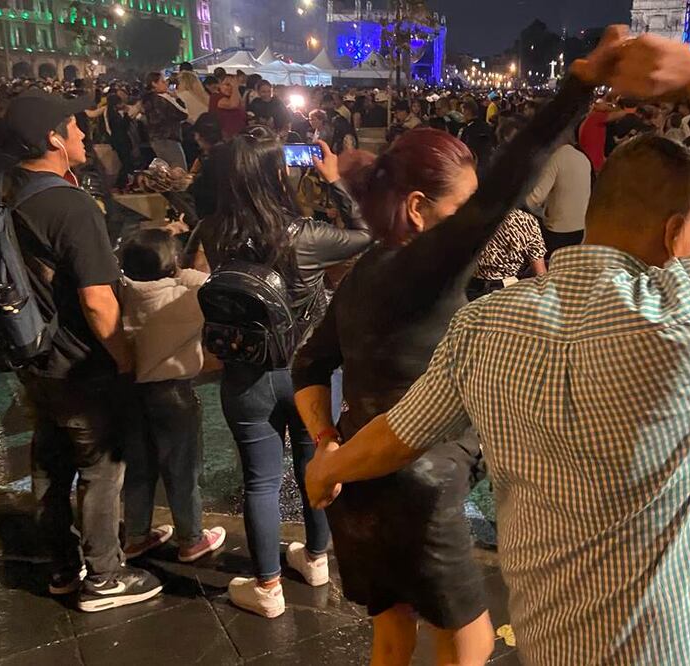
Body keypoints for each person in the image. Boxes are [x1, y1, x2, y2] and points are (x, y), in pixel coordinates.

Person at [301, 30, 690, 665]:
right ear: (678, 235)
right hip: (663, 646)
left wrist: (327, 467)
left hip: (549, 638)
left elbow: (397, 434)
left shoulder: (487, 323)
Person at [291, 85, 603, 662]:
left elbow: (309, 361)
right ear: (417, 207)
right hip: (419, 492)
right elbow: (517, 170)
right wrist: (579, 85)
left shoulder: (367, 270)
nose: (475, 228)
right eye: (463, 211)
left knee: (392, 634)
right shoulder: (421, 270)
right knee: (470, 642)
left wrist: (327, 445)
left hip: (357, 487)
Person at [186, 132, 370, 618]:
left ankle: (267, 587)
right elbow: (368, 234)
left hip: (247, 374)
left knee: (260, 482)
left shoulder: (213, 231)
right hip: (308, 374)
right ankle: (315, 560)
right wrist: (335, 183)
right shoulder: (306, 234)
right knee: (317, 466)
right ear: (276, 175)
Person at [1, 90, 163, 611]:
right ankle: (106, 576)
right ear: (53, 137)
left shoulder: (7, 192)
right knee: (100, 467)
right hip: (78, 363)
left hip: (32, 356)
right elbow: (97, 301)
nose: (83, 137)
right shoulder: (69, 204)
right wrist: (123, 356)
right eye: (75, 129)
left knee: (49, 462)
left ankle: (63, 569)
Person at [118, 228, 227, 563]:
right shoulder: (184, 297)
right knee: (182, 469)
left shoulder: (120, 291)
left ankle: (136, 535)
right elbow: (211, 284)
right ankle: (191, 539)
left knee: (138, 467)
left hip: (130, 394)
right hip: (173, 395)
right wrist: (186, 262)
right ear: (172, 263)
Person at [467, 117, 548, 301]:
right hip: (509, 291)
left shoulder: (470, 217)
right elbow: (541, 275)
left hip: (471, 291)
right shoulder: (525, 221)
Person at [525, 125, 592, 259]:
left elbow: (536, 197)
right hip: (582, 228)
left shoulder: (556, 158)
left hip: (559, 231)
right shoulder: (583, 158)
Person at [142, 72, 189, 169]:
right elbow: (183, 114)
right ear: (154, 84)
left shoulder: (147, 99)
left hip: (156, 139)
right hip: (168, 139)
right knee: (179, 170)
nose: (166, 84)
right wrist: (176, 98)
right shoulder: (162, 99)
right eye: (162, 82)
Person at [457, 98, 494, 174]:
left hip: (470, 167)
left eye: (462, 111)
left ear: (467, 111)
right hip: (486, 166)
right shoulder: (487, 127)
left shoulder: (465, 130)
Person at [209, 74, 246, 140]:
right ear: (220, 85)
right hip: (224, 137)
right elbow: (233, 105)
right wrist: (235, 87)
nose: (230, 88)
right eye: (227, 85)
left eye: (232, 85)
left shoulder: (234, 97)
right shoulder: (216, 97)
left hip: (238, 135)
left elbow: (241, 105)